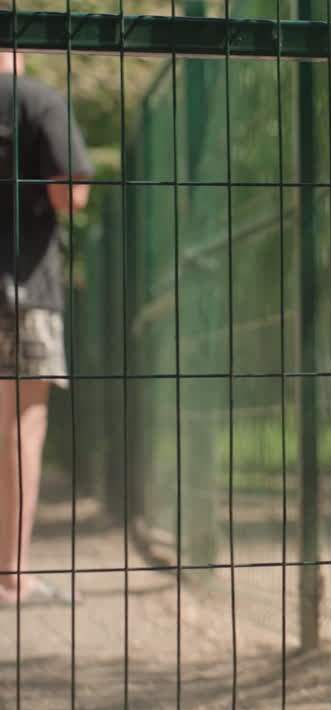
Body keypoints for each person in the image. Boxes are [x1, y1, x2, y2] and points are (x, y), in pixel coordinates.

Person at [0, 25, 94, 605]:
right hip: (23, 288)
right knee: (19, 429)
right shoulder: (38, 100)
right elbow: (71, 196)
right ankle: (11, 573)